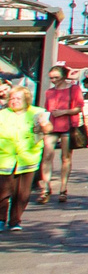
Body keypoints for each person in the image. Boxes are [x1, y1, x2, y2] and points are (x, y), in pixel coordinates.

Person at [40, 64, 84, 205]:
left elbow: (78, 108)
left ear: (64, 76)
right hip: (52, 126)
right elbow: (47, 110)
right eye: (51, 78)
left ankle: (63, 188)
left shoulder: (74, 89)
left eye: (56, 78)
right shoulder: (49, 92)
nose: (53, 80)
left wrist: (63, 112)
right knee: (47, 155)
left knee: (65, 157)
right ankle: (46, 188)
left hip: (67, 125)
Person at [0, 82, 38, 230]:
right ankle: (1, 219)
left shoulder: (36, 113)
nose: (14, 101)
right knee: (3, 191)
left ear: (26, 100)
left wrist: (43, 127)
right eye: (12, 99)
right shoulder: (3, 114)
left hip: (27, 157)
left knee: (22, 193)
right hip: (5, 157)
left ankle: (15, 220)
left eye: (18, 98)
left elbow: (45, 130)